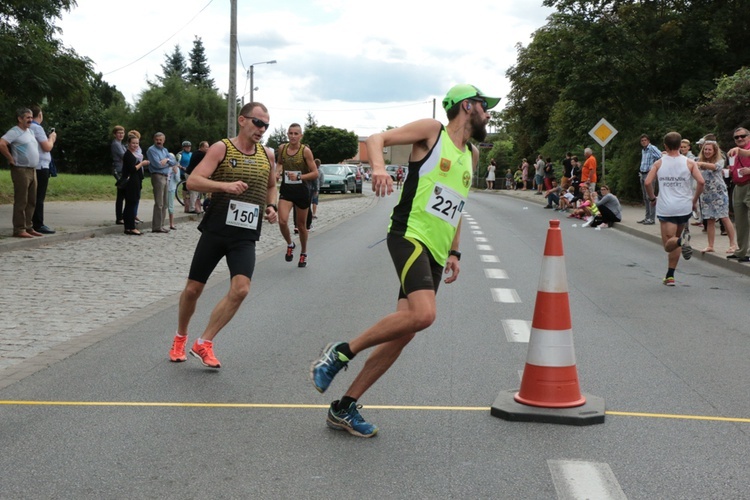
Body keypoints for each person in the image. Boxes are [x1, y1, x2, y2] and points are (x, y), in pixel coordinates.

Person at [310, 83, 498, 437]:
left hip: (439, 251)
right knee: (424, 315)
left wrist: (455, 251)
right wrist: (378, 168)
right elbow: (377, 138)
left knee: (406, 329)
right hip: (409, 235)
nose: (488, 113)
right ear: (467, 106)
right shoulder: (431, 132)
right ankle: (340, 352)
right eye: (484, 106)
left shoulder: (472, 155)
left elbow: (457, 206)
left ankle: (344, 407)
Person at [168, 102, 278, 368]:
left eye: (266, 125)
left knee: (241, 290)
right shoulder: (221, 148)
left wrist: (272, 205)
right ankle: (180, 336)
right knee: (194, 289)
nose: (261, 129)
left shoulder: (268, 155)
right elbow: (193, 181)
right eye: (257, 123)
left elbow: (272, 186)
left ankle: (204, 342)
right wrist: (224, 185)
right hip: (217, 229)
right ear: (242, 120)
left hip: (245, 235)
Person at [645, 131, 704, 286]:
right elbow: (701, 182)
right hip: (684, 206)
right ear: (680, 145)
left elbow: (647, 182)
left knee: (668, 244)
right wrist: (694, 199)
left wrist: (652, 198)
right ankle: (670, 275)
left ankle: (681, 241)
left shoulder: (659, 163)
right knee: (675, 241)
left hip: (666, 206)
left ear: (665, 145)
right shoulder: (690, 163)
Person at [276, 123, 318, 268]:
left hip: (302, 191)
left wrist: (299, 177)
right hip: (286, 190)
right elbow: (280, 163)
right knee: (282, 221)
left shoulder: (305, 151)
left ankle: (304, 252)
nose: (293, 136)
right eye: (290, 133)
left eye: (296, 134)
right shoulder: (282, 148)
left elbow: (315, 173)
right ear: (287, 134)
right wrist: (277, 172)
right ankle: (290, 243)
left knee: (301, 226)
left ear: (301, 135)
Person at [0, 108, 41, 238]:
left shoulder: (29, 131)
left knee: (32, 200)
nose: (30, 120)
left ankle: (29, 227)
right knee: (21, 200)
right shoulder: (15, 131)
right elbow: (2, 143)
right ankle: (19, 229)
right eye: (27, 117)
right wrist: (10, 159)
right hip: (21, 170)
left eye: (31, 117)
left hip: (32, 169)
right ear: (20, 119)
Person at [695, 139, 736, 254]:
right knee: (710, 220)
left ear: (714, 151)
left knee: (724, 217)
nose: (707, 151)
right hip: (706, 194)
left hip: (719, 194)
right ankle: (710, 245)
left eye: (709, 149)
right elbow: (688, 162)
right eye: (705, 149)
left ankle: (733, 244)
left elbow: (714, 167)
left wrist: (700, 164)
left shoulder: (720, 161)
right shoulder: (698, 160)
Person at [30, 105, 57, 234]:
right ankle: (38, 223)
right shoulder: (37, 128)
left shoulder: (28, 127)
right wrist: (51, 138)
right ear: (39, 115)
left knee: (32, 195)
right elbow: (47, 147)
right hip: (41, 165)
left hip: (33, 164)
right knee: (39, 196)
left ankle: (30, 221)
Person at [726, 126, 750, 262]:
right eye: (737, 137)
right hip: (738, 186)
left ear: (749, 137)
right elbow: (734, 168)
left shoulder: (741, 150)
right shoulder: (734, 152)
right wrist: (730, 171)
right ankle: (741, 251)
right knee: (740, 222)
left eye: (743, 136)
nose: (740, 139)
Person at [146, 132, 176, 233]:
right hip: (157, 176)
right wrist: (168, 163)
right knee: (159, 203)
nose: (158, 141)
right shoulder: (151, 150)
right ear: (154, 139)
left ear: (164, 140)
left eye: (160, 140)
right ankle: (156, 227)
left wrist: (166, 159)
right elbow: (157, 165)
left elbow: (173, 162)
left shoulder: (165, 150)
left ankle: (162, 225)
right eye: (157, 139)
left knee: (165, 203)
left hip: (165, 176)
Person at [121, 133, 149, 235]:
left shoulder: (135, 154)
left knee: (131, 204)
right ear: (129, 143)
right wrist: (141, 164)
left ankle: (128, 227)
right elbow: (132, 169)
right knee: (131, 204)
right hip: (131, 182)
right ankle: (131, 227)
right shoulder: (128, 155)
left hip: (136, 180)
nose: (135, 145)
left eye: (137, 143)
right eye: (133, 143)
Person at [638, 134, 662, 225]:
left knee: (650, 196)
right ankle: (647, 217)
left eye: (645, 140)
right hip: (642, 173)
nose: (643, 142)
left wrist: (653, 168)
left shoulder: (652, 148)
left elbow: (660, 156)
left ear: (648, 140)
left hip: (649, 174)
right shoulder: (643, 150)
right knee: (645, 197)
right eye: (642, 141)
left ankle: (651, 218)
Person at [186, 141, 209, 214]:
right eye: (206, 147)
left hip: (190, 173)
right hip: (191, 174)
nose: (208, 148)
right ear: (201, 147)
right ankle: (192, 208)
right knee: (194, 192)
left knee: (196, 192)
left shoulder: (196, 152)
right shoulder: (201, 154)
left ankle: (195, 207)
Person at [111, 126, 127, 225]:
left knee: (124, 194)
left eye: (122, 133)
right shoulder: (116, 144)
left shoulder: (121, 144)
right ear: (115, 134)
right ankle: (119, 217)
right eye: (119, 133)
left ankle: (122, 216)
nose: (121, 135)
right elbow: (124, 156)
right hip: (120, 170)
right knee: (121, 195)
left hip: (123, 169)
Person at [166, 153, 179, 230]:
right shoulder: (164, 167)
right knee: (162, 205)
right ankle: (161, 222)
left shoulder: (175, 167)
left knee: (170, 206)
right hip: (164, 188)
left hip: (171, 188)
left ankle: (171, 223)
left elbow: (178, 180)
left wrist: (176, 172)